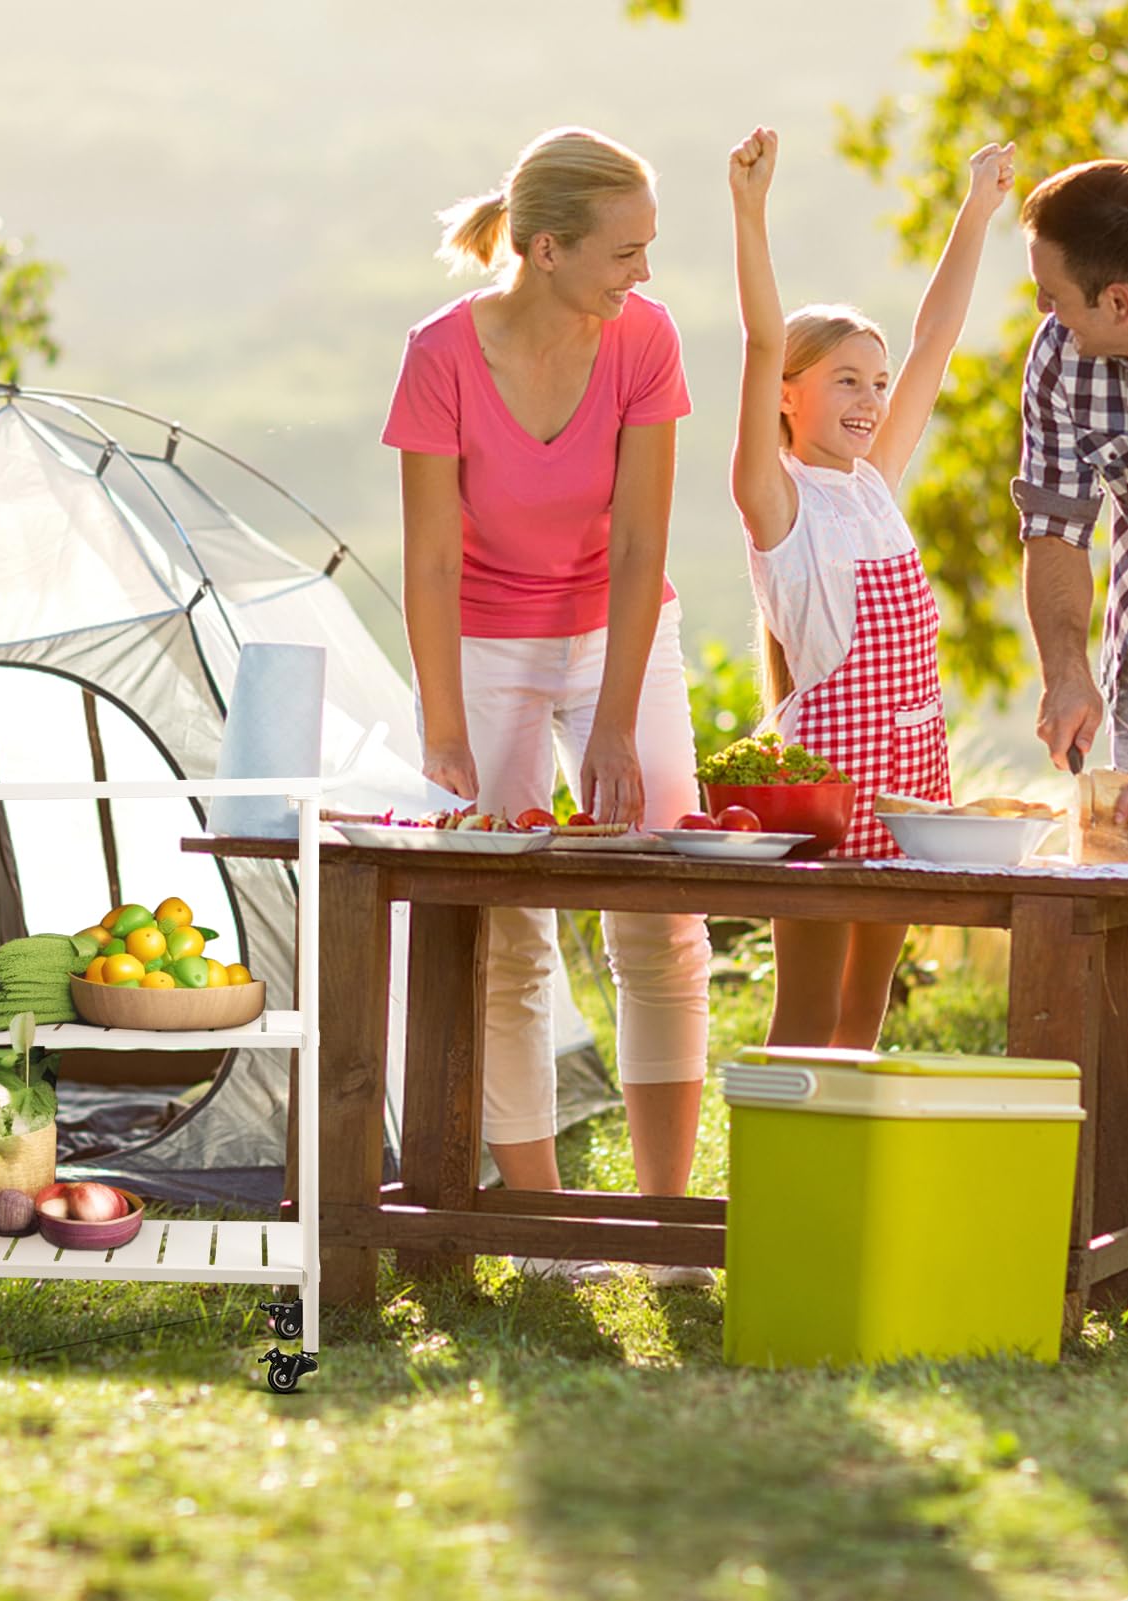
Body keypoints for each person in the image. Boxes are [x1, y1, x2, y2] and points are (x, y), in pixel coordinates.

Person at [382, 126, 713, 1288]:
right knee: (505, 929)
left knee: (665, 910)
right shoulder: (438, 354)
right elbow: (426, 561)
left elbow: (636, 543)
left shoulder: (644, 339)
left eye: (648, 247)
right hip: (480, 642)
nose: (643, 272)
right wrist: (442, 728)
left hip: (617, 636)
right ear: (543, 247)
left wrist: (615, 717)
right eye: (625, 251)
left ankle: (664, 1227)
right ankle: (544, 1226)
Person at [728, 127, 1014, 1048]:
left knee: (864, 1012)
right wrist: (749, 212)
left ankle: (838, 1183)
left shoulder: (875, 487)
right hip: (826, 792)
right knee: (806, 1010)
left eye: (877, 383)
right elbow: (760, 335)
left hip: (910, 789)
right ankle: (777, 1185)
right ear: (785, 394)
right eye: (844, 378)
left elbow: (937, 337)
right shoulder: (775, 500)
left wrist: (976, 207)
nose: (870, 398)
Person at [1013, 160, 1128, 778]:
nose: (1041, 307)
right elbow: (1055, 523)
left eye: (1052, 293)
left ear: (1118, 301)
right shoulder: (1063, 356)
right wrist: (1066, 673)